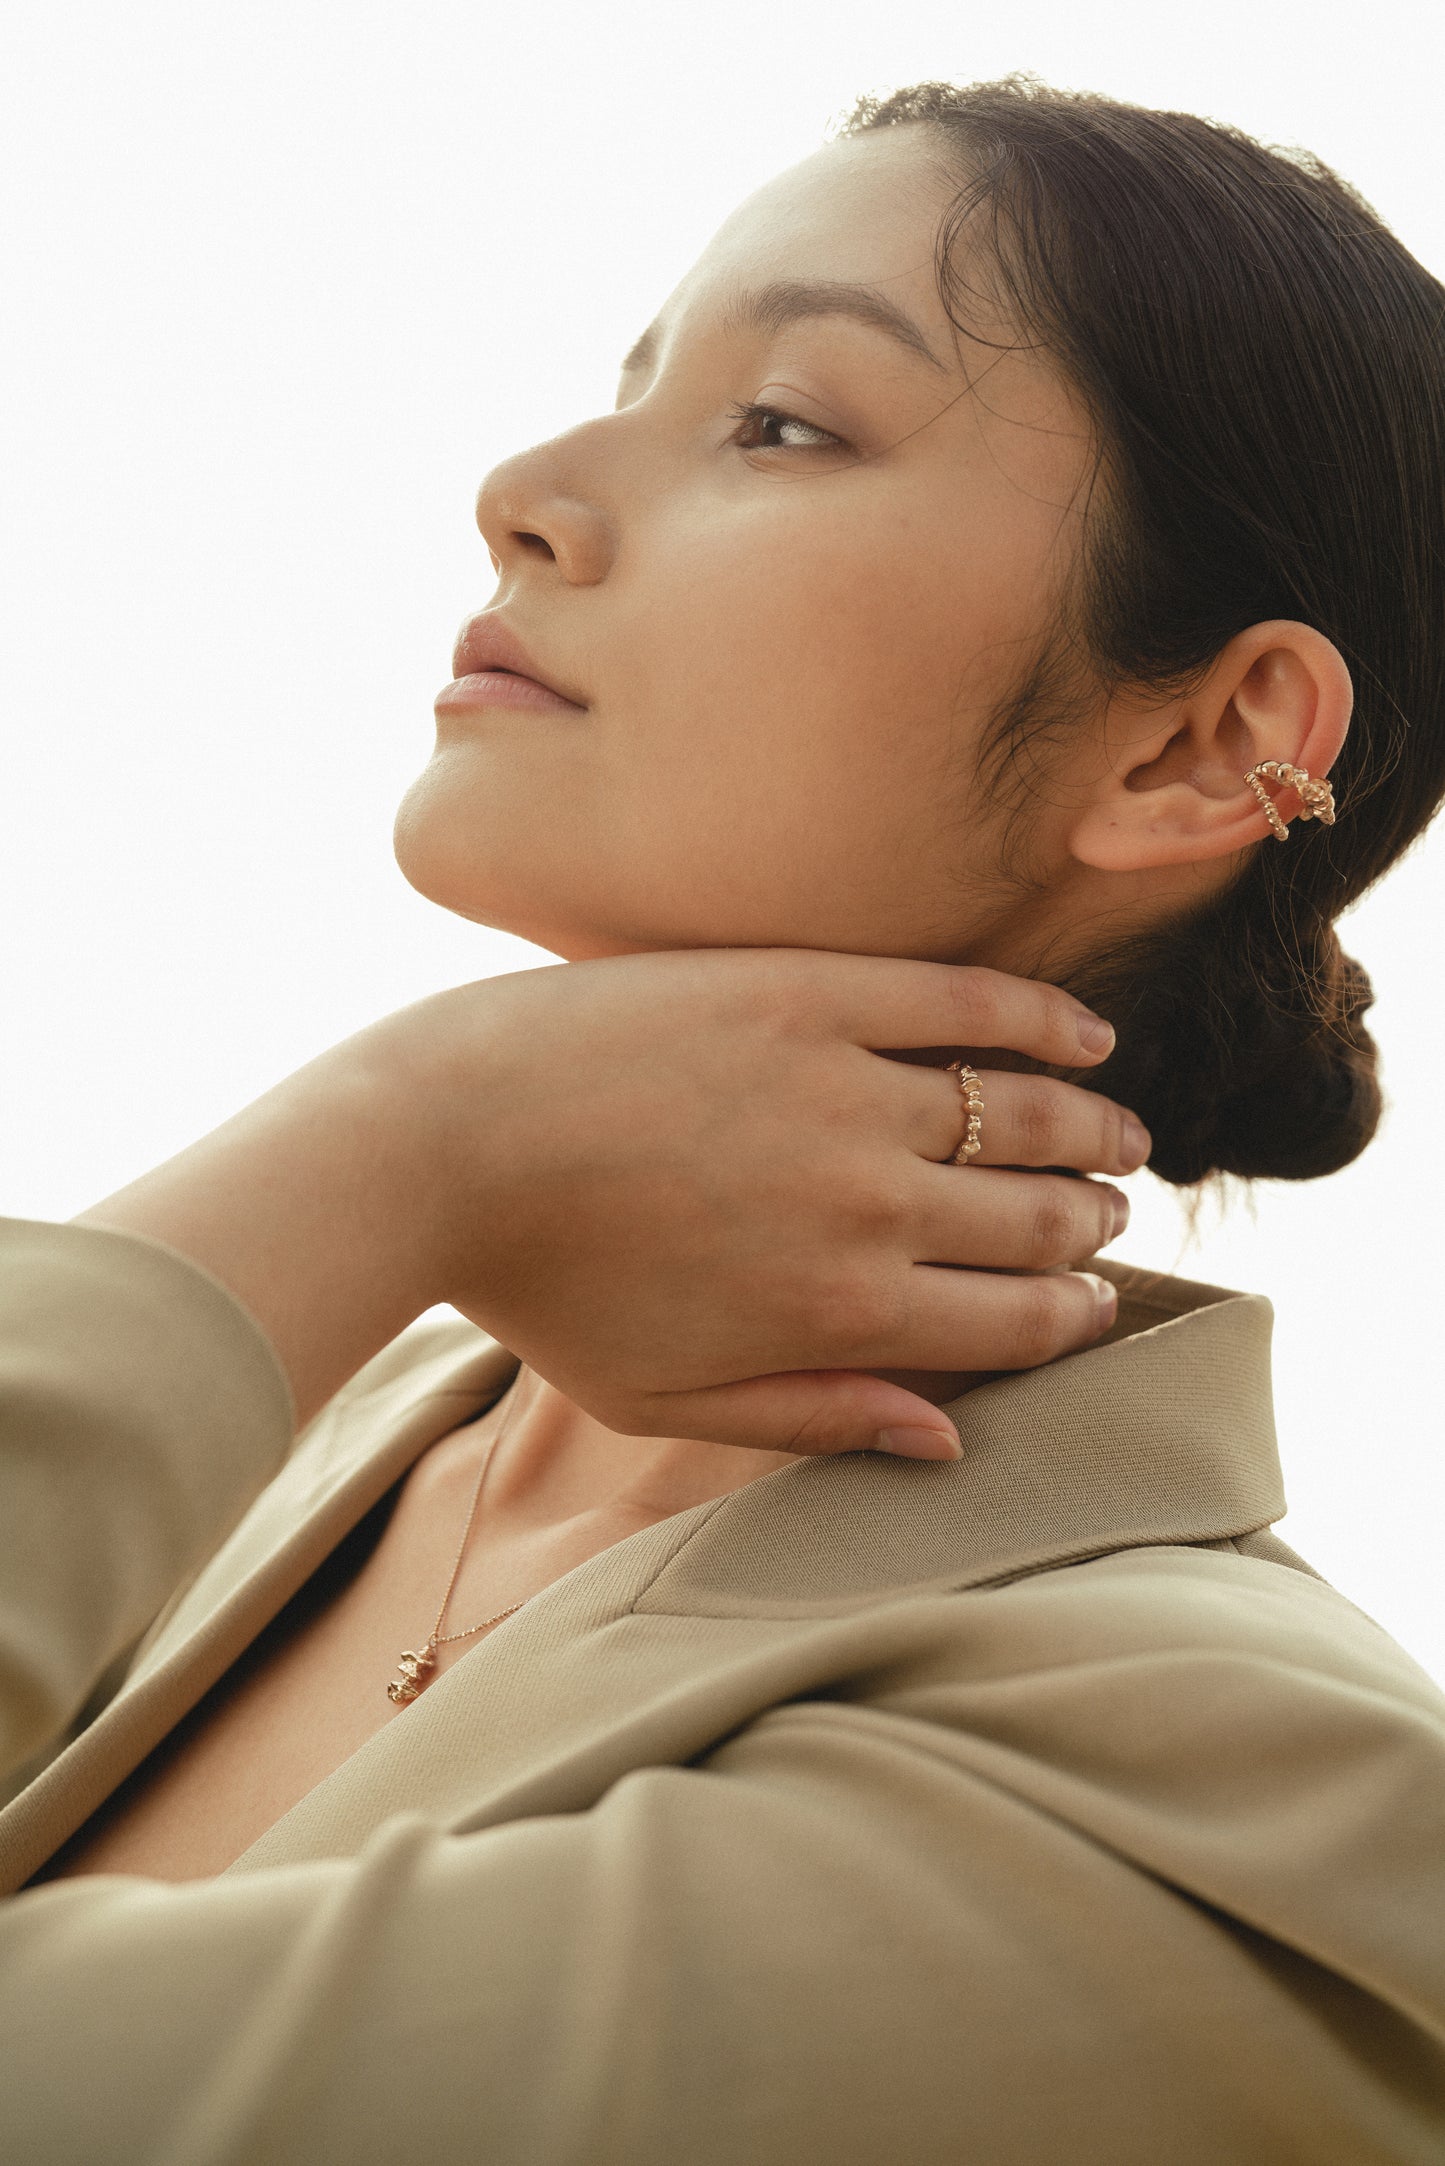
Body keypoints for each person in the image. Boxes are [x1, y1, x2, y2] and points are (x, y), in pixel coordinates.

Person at [3, 74, 1443, 2163]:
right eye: (630, 386)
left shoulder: (1234, 1815)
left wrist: (408, 1139)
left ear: (1208, 747)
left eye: (785, 423)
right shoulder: (270, 1452)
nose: (522, 491)